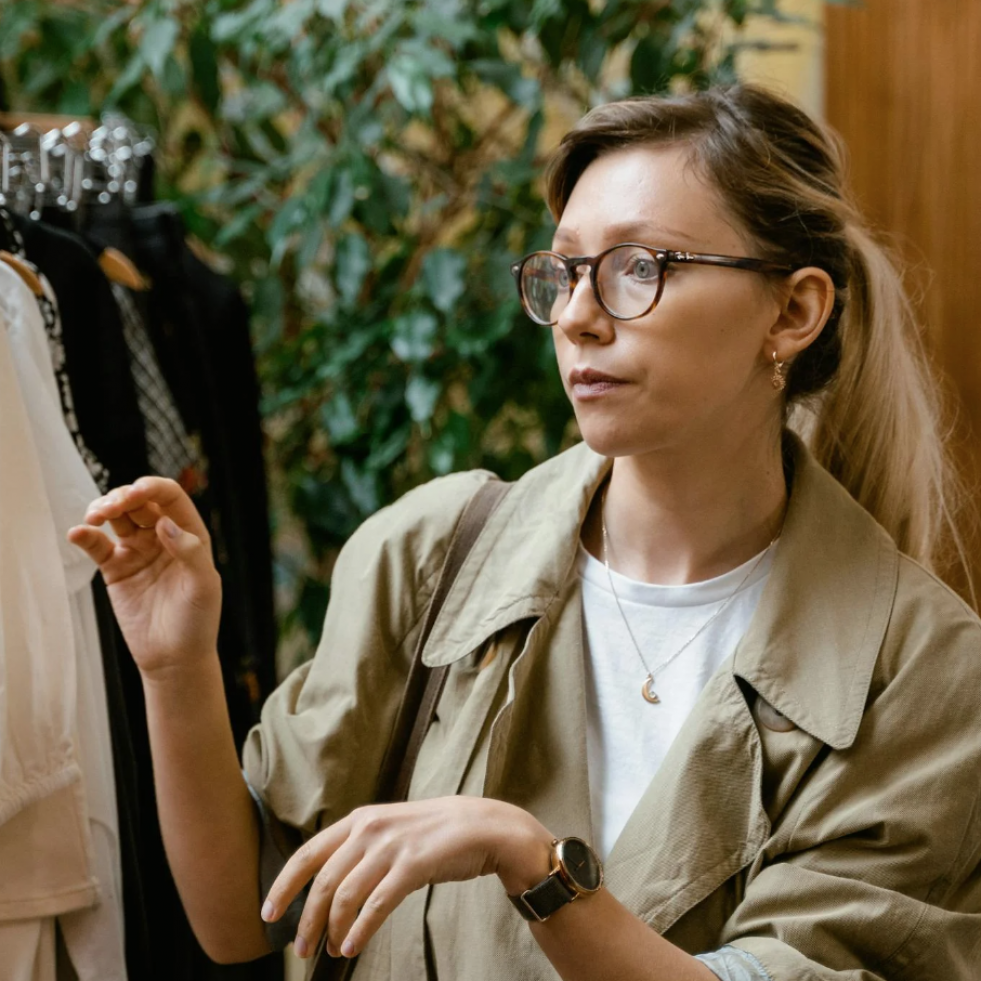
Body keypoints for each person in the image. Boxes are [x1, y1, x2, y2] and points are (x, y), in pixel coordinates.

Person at [69, 84, 981, 981]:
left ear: (792, 311)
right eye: (565, 271)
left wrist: (532, 862)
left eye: (640, 268)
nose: (578, 317)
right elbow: (245, 917)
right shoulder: (429, 555)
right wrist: (176, 665)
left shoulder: (923, 667)